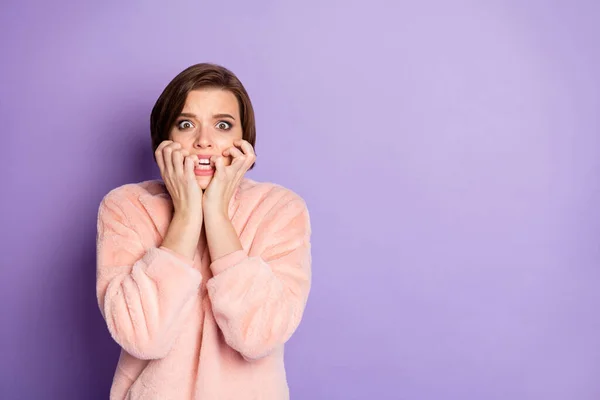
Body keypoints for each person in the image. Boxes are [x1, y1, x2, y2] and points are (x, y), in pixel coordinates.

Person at [95, 63, 312, 399]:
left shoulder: (280, 209)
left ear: (243, 140)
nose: (204, 142)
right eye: (186, 124)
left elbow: (259, 338)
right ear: (165, 137)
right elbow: (142, 338)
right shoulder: (126, 208)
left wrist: (216, 214)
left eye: (223, 125)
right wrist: (185, 214)